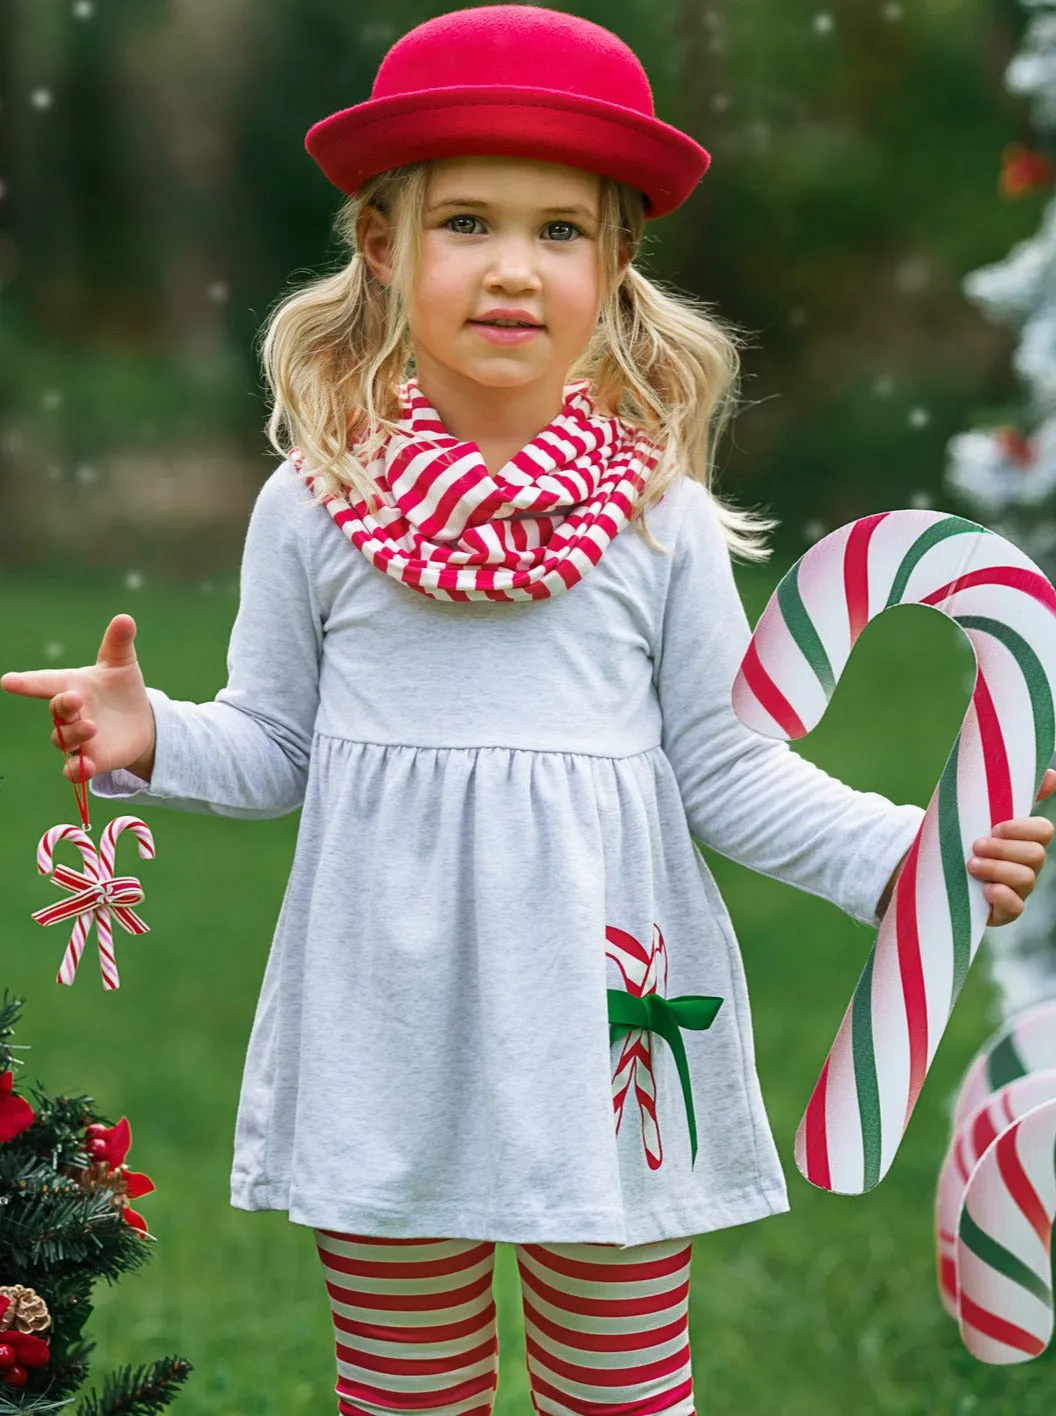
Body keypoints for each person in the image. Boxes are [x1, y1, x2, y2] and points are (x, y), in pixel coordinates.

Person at [3, 6, 1054, 1412]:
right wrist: (150, 739)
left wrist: (899, 860)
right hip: (389, 1010)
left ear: (618, 262)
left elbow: (729, 769)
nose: (513, 267)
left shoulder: (659, 522)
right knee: (407, 1379)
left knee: (619, 1378)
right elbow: (273, 753)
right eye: (468, 224)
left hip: (607, 1010)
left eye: (562, 230)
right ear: (380, 246)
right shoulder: (316, 502)